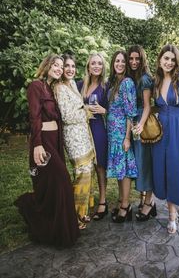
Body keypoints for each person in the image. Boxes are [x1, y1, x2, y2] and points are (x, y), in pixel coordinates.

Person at [14, 54, 79, 247]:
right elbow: (34, 117)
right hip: (44, 142)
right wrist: (37, 144)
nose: (59, 68)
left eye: (61, 66)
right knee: (62, 182)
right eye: (56, 65)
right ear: (47, 65)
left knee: (53, 186)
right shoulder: (35, 86)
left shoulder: (52, 88)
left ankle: (59, 228)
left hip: (55, 141)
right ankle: (47, 224)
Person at [152, 44, 179, 234]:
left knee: (178, 169)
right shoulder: (156, 80)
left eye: (172, 59)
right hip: (160, 131)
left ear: (176, 61)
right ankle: (171, 215)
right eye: (166, 58)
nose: (169, 62)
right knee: (163, 169)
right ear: (160, 59)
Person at [54, 53, 96, 230]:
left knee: (89, 171)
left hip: (83, 135)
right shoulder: (59, 88)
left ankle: (83, 210)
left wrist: (83, 109)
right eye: (67, 66)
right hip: (73, 137)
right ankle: (74, 215)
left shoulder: (71, 84)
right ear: (61, 69)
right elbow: (67, 115)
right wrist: (86, 110)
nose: (70, 69)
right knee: (82, 173)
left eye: (72, 66)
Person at [107, 50, 138, 223]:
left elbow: (130, 113)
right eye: (117, 61)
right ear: (113, 63)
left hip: (121, 135)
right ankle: (121, 201)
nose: (119, 64)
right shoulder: (114, 83)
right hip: (112, 134)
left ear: (126, 65)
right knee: (119, 170)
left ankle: (126, 206)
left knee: (124, 170)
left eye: (122, 62)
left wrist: (127, 137)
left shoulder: (127, 83)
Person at [77, 53, 108, 221]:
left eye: (100, 64)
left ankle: (103, 200)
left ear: (103, 67)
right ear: (88, 66)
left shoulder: (105, 86)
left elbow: (115, 110)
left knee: (99, 166)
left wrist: (105, 110)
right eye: (93, 63)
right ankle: (85, 201)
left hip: (97, 128)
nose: (96, 66)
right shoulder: (79, 85)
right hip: (82, 130)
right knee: (84, 167)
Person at [127, 45, 156, 221]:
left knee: (144, 163)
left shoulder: (144, 79)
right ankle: (143, 200)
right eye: (131, 58)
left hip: (141, 123)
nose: (134, 62)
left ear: (142, 59)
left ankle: (148, 203)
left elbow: (147, 105)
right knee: (137, 164)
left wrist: (140, 124)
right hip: (131, 121)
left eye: (137, 58)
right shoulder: (131, 77)